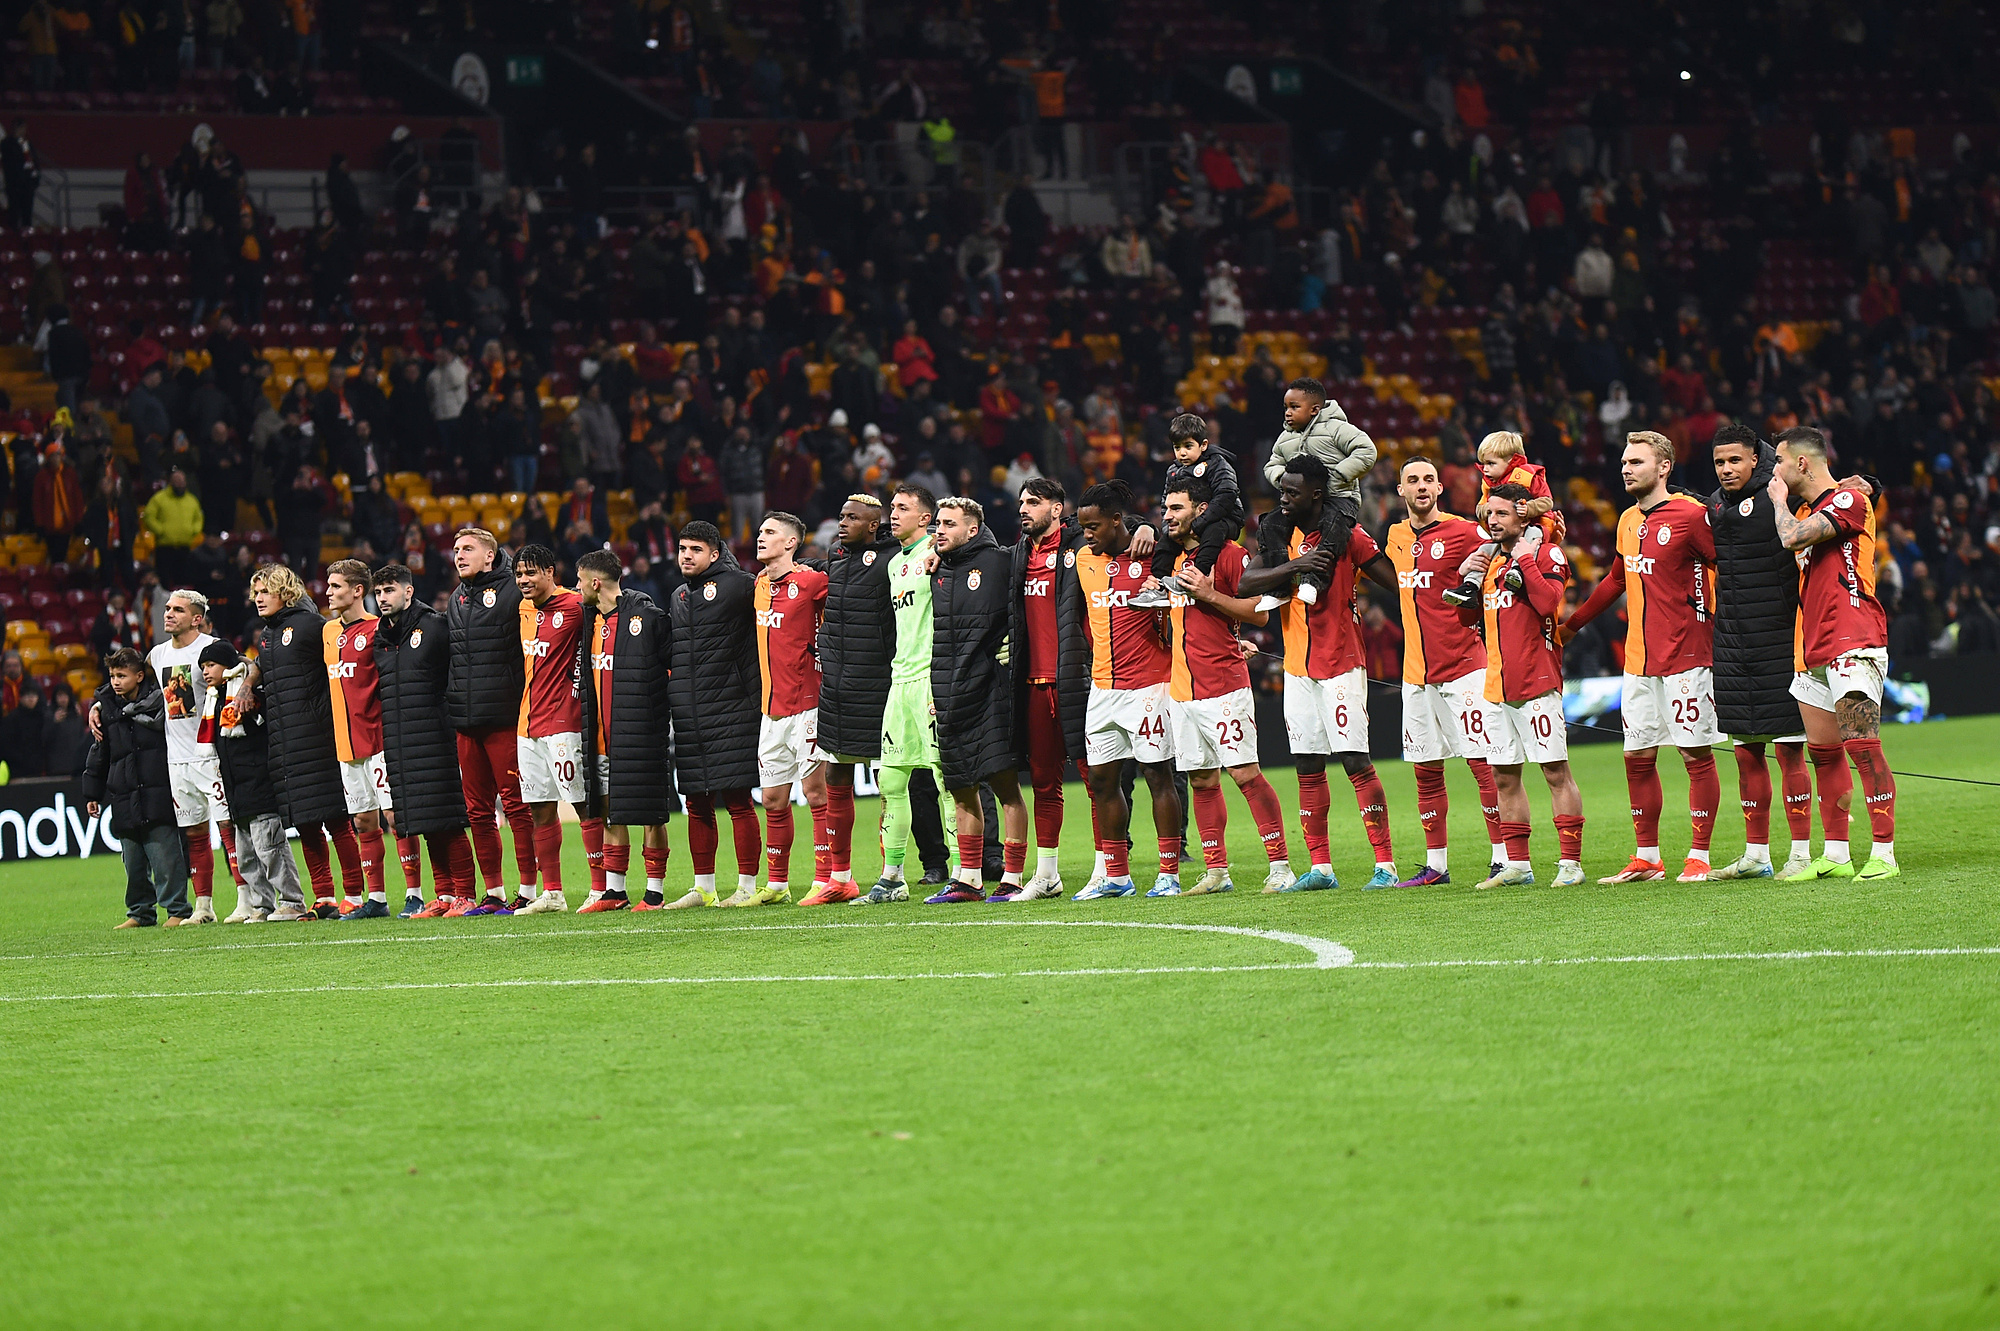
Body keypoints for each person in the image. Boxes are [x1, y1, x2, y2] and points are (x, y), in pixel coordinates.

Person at [1562, 432, 1723, 883]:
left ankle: (1700, 856)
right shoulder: (1628, 520)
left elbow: (1725, 568)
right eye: (1624, 462)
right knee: (1637, 758)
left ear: (1664, 466)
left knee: (1695, 756)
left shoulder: (1693, 517)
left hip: (1689, 656)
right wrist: (1572, 625)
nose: (1626, 469)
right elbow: (1615, 581)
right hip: (1639, 661)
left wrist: (1720, 624)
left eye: (1635, 461)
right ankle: (1647, 857)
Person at [1240, 455, 1402, 889]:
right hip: (1297, 669)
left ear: (1315, 493)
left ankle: (1385, 865)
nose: (1284, 498)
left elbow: (1393, 580)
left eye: (1292, 492)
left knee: (1355, 761)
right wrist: (1293, 568)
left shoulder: (1344, 533)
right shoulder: (1278, 533)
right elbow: (1246, 583)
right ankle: (1321, 868)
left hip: (1342, 665)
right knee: (1307, 765)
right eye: (1282, 491)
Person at [1768, 426, 1898, 881]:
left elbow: (1792, 537)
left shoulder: (1847, 501)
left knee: (1862, 745)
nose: (1775, 471)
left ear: (1801, 463)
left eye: (1780, 461)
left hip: (1854, 637)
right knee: (1824, 753)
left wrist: (1777, 501)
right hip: (1813, 646)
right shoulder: (1816, 504)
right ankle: (1837, 854)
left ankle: (1884, 853)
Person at [1155, 477, 1293, 895]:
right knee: (1200, 780)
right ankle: (1217, 871)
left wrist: (1212, 596)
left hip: (1224, 686)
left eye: (1176, 508)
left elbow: (1260, 614)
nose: (1166, 516)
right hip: (1182, 689)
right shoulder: (1173, 560)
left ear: (1200, 511)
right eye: (1165, 509)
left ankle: (1281, 866)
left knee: (1246, 774)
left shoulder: (1230, 556)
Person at [1382, 456, 1509, 886]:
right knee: (1425, 770)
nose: (1421, 486)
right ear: (1400, 490)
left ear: (1440, 489)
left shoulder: (1462, 531)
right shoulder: (1395, 535)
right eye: (1412, 480)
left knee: (1482, 764)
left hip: (1464, 669)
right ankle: (1436, 865)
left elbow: (1500, 545)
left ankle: (1503, 857)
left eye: (1429, 480)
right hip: (1415, 676)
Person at [1456, 483, 1586, 889]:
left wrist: (1526, 561)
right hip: (1496, 685)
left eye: (1501, 513)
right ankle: (1517, 864)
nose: (1492, 520)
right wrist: (1470, 577)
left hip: (1538, 683)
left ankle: (1570, 863)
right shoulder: (1490, 563)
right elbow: (1466, 622)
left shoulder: (1547, 553)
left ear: (1523, 513)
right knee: (1504, 777)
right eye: (1489, 514)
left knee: (1554, 772)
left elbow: (1549, 604)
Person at [1704, 424, 1815, 881]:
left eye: (1735, 460)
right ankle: (1756, 854)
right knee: (1746, 751)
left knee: (1790, 751)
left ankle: (1803, 852)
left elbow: (1833, 492)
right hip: (1732, 644)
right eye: (1719, 462)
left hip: (1778, 639)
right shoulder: (1712, 505)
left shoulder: (1780, 492)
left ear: (1756, 459)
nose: (1727, 469)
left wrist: (1868, 485)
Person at [1071, 480, 1184, 899]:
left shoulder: (1154, 557)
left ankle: (1169, 874)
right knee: (1101, 780)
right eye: (1083, 527)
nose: (1087, 534)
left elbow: (1185, 536)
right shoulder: (1084, 558)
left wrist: (1148, 528)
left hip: (1149, 686)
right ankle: (1117, 876)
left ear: (1117, 521)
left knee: (1157, 775)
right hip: (1102, 688)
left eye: (1095, 526)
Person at [853, 485, 957, 905]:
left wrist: (942, 547)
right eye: (892, 508)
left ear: (926, 518)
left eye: (902, 508)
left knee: (945, 780)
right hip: (900, 682)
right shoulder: (895, 563)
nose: (893, 515)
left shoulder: (942, 553)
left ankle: (965, 873)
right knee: (892, 779)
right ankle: (892, 877)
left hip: (932, 679)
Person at [240, 564, 363, 917]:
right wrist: (249, 685)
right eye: (255, 593)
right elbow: (260, 666)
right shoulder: (267, 635)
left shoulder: (312, 626)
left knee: (337, 820)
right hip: (285, 741)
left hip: (318, 736)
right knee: (306, 822)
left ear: (285, 591)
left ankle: (353, 893)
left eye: (265, 591)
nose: (258, 599)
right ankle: (323, 896)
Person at [927, 496, 1027, 903]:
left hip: (989, 691)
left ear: (972, 529)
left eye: (949, 524)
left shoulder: (1000, 562)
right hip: (948, 694)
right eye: (938, 523)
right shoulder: (938, 571)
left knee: (1005, 789)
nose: (940, 529)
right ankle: (968, 879)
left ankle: (1014, 877)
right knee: (961, 788)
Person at [731, 511, 830, 907]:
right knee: (772, 798)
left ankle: (826, 878)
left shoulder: (812, 582)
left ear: (791, 543)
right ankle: (777, 884)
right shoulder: (757, 585)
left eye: (770, 532)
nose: (760, 537)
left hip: (809, 705)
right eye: (759, 531)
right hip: (770, 710)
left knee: (816, 791)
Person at [807, 495, 902, 906]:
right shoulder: (836, 556)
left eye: (851, 518)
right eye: (841, 516)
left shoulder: (894, 559)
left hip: (880, 686)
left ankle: (891, 874)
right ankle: (840, 877)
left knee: (891, 784)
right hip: (838, 688)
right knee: (836, 778)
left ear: (873, 525)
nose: (841, 523)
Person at [575, 550, 679, 912]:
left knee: (650, 812)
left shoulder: (647, 617)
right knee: (607, 810)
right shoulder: (587, 621)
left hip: (640, 733)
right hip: (599, 737)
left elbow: (673, 667)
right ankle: (615, 892)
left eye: (579, 580)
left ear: (595, 582)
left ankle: (654, 893)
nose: (577, 587)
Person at [371, 563, 476, 918]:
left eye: (389, 590)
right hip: (399, 739)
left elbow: (458, 675)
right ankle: (444, 894)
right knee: (424, 820)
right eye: (379, 592)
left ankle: (466, 893)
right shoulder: (381, 637)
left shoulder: (433, 626)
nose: (383, 598)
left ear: (408, 591)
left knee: (447, 818)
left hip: (435, 734)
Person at [445, 527, 536, 914]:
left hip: (503, 716)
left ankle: (530, 891)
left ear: (490, 556)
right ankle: (494, 892)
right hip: (466, 721)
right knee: (478, 812)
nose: (459, 555)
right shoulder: (455, 599)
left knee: (517, 806)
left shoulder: (515, 592)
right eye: (456, 549)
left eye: (468, 549)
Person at [138, 589, 235, 923]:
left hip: (212, 754)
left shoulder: (213, 649)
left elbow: (245, 671)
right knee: (194, 833)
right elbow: (127, 682)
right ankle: (204, 906)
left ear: (197, 618)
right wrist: (97, 703)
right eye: (167, 608)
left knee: (228, 828)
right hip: (176, 759)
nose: (168, 614)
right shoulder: (157, 655)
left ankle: (247, 900)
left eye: (177, 610)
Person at [511, 544, 599, 914]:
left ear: (550, 572)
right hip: (527, 724)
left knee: (583, 804)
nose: (524, 581)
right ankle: (554, 893)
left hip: (564, 722)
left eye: (531, 573)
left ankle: (601, 888)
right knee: (539, 809)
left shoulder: (577, 607)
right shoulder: (523, 608)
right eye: (518, 575)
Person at [198, 640, 304, 922]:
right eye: (203, 667)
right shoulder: (217, 698)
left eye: (211, 665)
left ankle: (292, 901)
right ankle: (262, 905)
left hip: (258, 783)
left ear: (229, 665)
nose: (206, 672)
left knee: (271, 849)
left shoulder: (251, 694)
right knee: (247, 856)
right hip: (237, 789)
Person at [83, 648, 189, 929]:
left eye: (122, 676)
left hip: (157, 792)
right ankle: (140, 912)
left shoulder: (162, 702)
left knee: (166, 859)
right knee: (133, 863)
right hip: (124, 794)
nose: (116, 682)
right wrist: (92, 793)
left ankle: (178, 910)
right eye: (112, 676)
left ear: (140, 676)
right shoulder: (107, 708)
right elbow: (100, 753)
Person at [315, 560, 397, 917]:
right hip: (345, 744)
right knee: (364, 821)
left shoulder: (379, 629)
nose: (328, 593)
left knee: (396, 817)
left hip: (379, 739)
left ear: (357, 590)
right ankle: (375, 899)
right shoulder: (328, 632)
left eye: (335, 586)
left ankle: (415, 893)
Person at [1256, 378, 1377, 609]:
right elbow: (1271, 465)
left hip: (1339, 499)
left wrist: (1338, 476)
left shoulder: (1337, 429)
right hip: (1302, 504)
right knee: (1269, 525)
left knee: (1335, 526)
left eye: (1294, 407)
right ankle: (1279, 588)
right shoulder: (1286, 437)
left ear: (1314, 409)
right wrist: (1287, 482)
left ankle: (1313, 581)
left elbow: (1367, 451)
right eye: (1286, 408)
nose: (1288, 413)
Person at [1442, 431, 1564, 608]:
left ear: (1512, 461)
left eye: (1491, 463)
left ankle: (1518, 569)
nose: (1485, 469)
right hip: (1506, 537)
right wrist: (1489, 508)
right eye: (1483, 464)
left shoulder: (1529, 475)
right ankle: (1470, 586)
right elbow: (1479, 508)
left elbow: (1547, 501)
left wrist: (1529, 508)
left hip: (1538, 526)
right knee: (1485, 547)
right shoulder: (1488, 483)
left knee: (1532, 533)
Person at [1135, 412, 1244, 607]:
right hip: (1192, 521)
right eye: (1177, 448)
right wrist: (1170, 529)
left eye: (1188, 446)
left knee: (1214, 530)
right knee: (1166, 542)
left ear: (1203, 445)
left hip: (1226, 519)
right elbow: (1165, 502)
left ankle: (1193, 577)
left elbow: (1227, 495)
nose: (1182, 453)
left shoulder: (1217, 464)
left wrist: (1200, 523)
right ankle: (1158, 588)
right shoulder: (1173, 470)